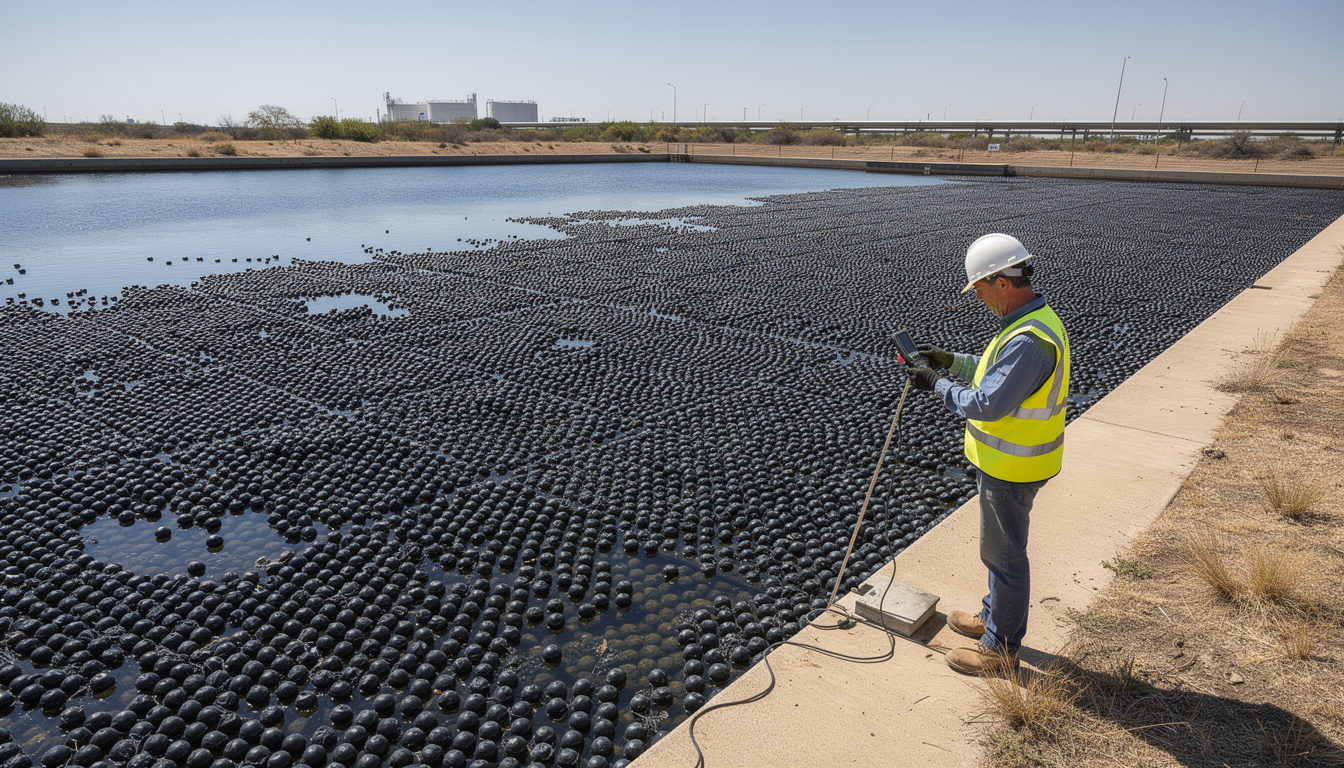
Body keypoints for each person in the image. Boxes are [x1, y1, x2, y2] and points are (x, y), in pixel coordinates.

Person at [905, 233, 1070, 675]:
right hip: (1013, 463)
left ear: (1001, 282)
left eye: (978, 288)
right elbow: (998, 374)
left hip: (1012, 467)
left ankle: (1000, 650)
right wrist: (951, 362)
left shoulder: (1029, 340)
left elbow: (988, 403)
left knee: (1005, 557)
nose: (977, 298)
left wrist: (936, 384)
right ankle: (991, 619)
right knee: (999, 552)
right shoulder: (1032, 324)